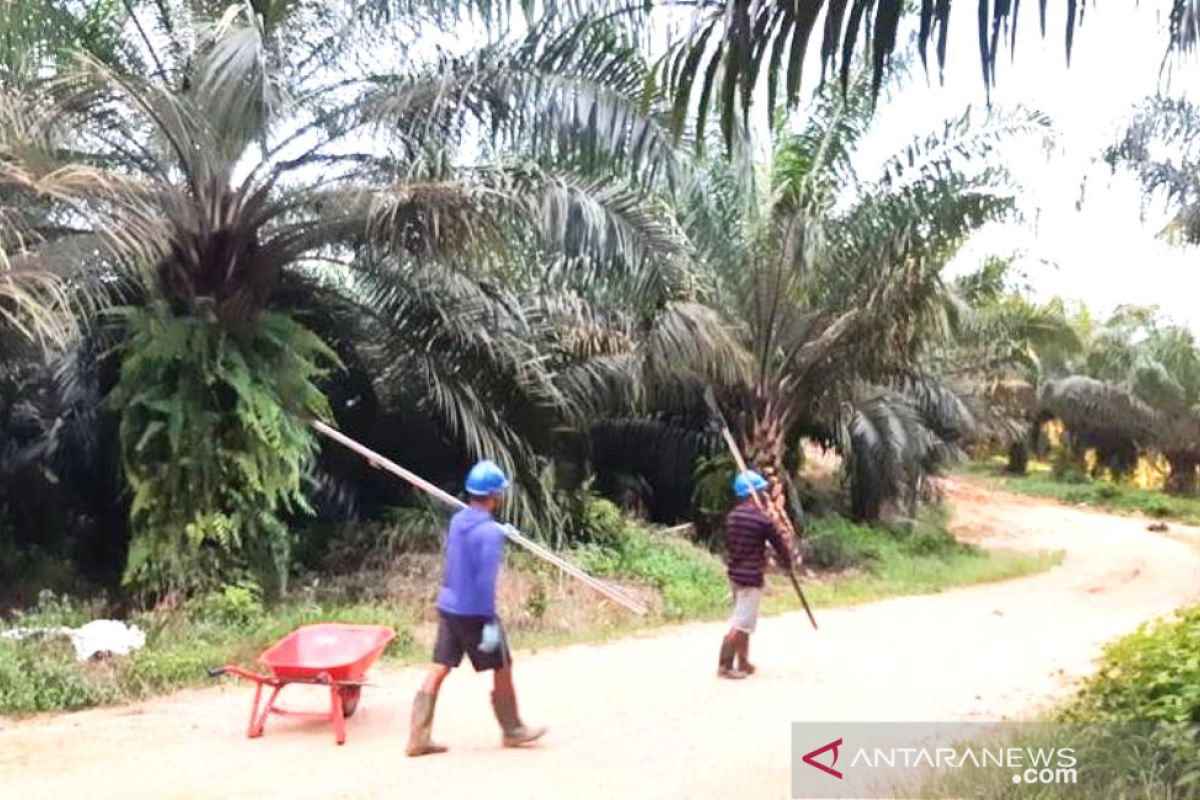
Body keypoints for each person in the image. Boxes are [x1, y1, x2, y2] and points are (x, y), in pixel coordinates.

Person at [406, 460, 547, 756]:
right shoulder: (490, 534)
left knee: (439, 668)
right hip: (475, 612)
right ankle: (512, 729)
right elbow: (485, 581)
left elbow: (468, 543)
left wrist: (498, 530)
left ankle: (418, 737)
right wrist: (489, 622)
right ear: (496, 496)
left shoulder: (459, 521)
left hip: (449, 606)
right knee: (503, 665)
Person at [718, 470, 793, 679]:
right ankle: (724, 665)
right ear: (753, 493)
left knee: (744, 621)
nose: (763, 495)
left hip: (734, 574)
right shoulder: (761, 520)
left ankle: (743, 662)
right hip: (751, 578)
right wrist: (787, 564)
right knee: (741, 623)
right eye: (760, 491)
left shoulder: (732, 517)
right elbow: (779, 545)